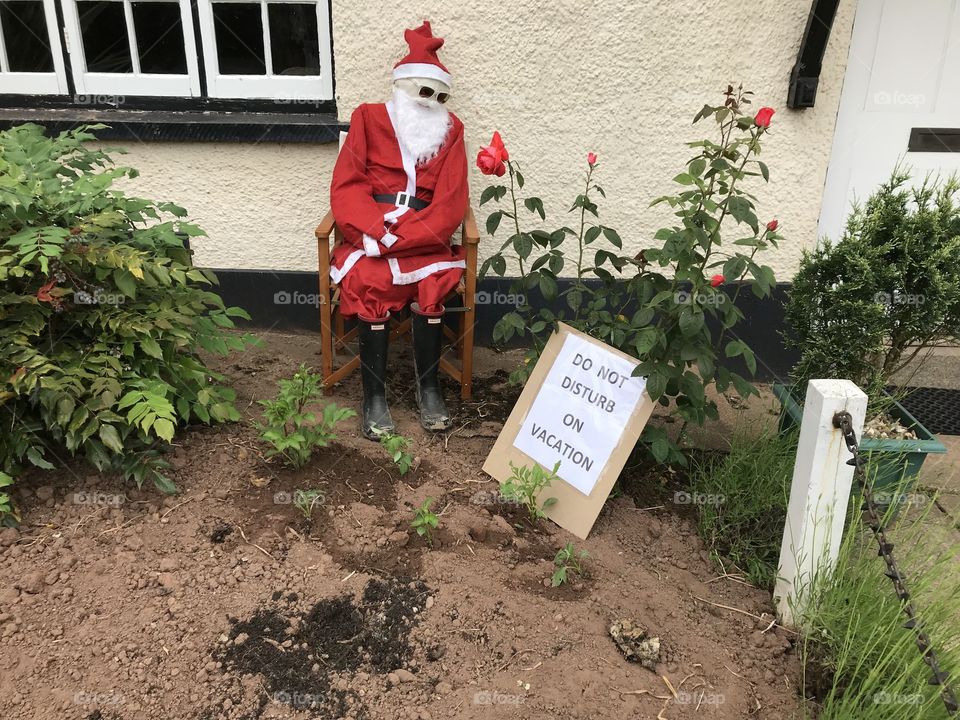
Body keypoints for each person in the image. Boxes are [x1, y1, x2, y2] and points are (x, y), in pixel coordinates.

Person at [329, 21, 467, 439]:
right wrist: (372, 229)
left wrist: (410, 237)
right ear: (403, 85)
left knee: (435, 281)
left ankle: (429, 389)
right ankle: (374, 397)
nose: (433, 103)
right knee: (369, 279)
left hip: (424, 236)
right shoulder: (368, 118)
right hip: (371, 230)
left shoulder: (451, 129)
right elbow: (347, 182)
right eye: (425, 92)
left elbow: (452, 199)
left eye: (441, 95)